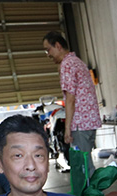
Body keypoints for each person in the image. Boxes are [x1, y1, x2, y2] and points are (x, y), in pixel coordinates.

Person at [43, 31, 101, 171]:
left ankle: (91, 187)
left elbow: (70, 99)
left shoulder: (67, 64)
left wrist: (67, 128)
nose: (48, 54)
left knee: (83, 167)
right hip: (88, 122)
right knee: (86, 163)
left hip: (80, 124)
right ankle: (91, 185)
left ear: (58, 46)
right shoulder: (77, 61)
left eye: (48, 50)